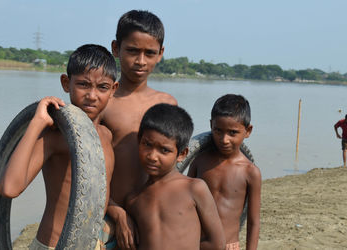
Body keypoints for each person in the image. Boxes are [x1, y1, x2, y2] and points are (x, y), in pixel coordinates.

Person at [0, 44, 119, 249]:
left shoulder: (106, 136)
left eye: (102, 87)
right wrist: (37, 123)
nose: (92, 95)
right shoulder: (55, 136)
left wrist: (119, 214)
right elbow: (9, 188)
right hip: (53, 244)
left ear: (113, 89)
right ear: (66, 83)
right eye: (83, 84)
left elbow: (97, 193)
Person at [101, 9, 177, 249]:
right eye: (132, 50)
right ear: (116, 48)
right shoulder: (102, 102)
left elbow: (172, 167)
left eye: (149, 53)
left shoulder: (168, 104)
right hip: (108, 214)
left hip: (153, 215)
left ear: (161, 54)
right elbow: (83, 169)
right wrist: (116, 212)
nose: (140, 61)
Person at [125, 103, 225, 250]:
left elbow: (217, 243)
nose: (152, 156)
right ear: (139, 141)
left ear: (182, 154)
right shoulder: (134, 199)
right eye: (147, 144)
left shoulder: (194, 188)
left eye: (164, 150)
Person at [188, 94, 261, 250]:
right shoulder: (199, 161)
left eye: (233, 133)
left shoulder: (250, 172)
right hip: (196, 244)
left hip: (228, 246)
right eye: (218, 131)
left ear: (248, 131)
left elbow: (253, 222)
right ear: (211, 126)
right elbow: (186, 203)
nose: (224, 139)